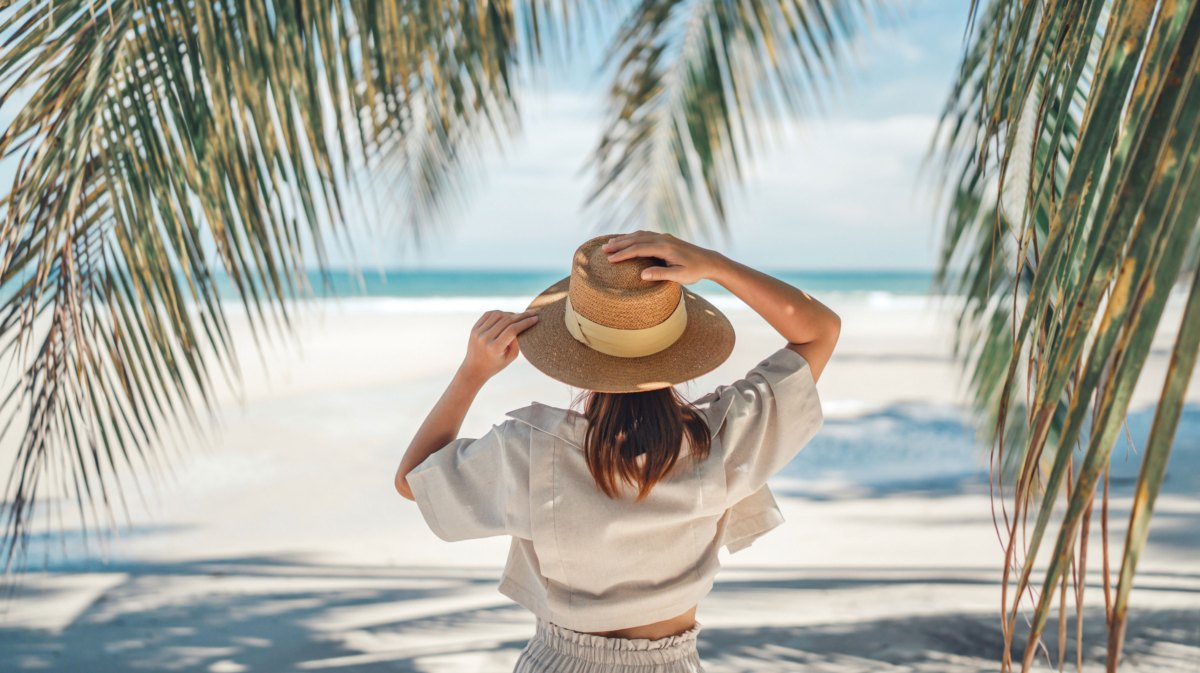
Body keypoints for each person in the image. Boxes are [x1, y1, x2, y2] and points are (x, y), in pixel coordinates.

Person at [393, 231, 840, 672]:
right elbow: (820, 331)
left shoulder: (528, 448)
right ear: (680, 343)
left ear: (572, 349)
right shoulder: (722, 437)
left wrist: (472, 372)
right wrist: (715, 266)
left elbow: (413, 481)